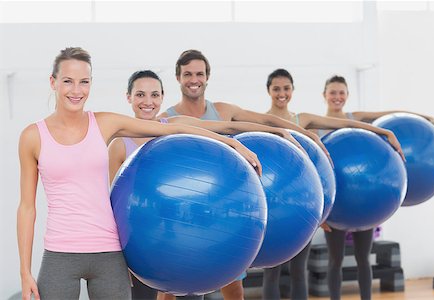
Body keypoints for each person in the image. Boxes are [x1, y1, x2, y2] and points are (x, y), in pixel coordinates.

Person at [16, 47, 264, 300]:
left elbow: (171, 130)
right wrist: (25, 272)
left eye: (84, 82)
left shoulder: (104, 123)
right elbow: (27, 208)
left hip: (108, 252)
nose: (76, 90)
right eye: (68, 81)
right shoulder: (33, 136)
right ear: (53, 82)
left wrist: (232, 144)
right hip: (60, 253)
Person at [157, 49, 336, 300]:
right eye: (187, 74)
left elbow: (267, 121)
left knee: (233, 290)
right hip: (184, 214)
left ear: (208, 77)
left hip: (228, 213)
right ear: (178, 77)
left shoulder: (222, 111)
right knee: (171, 289)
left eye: (199, 73)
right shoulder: (167, 119)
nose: (193, 79)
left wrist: (304, 134)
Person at [109, 69, 303, 300]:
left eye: (154, 95)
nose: (148, 102)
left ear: (162, 97)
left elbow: (225, 127)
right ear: (128, 97)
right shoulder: (119, 144)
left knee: (192, 293)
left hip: (191, 238)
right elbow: (112, 206)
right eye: (140, 95)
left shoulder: (175, 127)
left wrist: (273, 132)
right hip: (141, 247)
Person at [262, 69, 406, 300]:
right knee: (272, 273)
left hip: (303, 204)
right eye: (276, 88)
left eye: (286, 88)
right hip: (274, 206)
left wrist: (384, 131)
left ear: (292, 91)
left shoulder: (304, 120)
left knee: (299, 271)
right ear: (268, 91)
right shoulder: (262, 121)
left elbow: (343, 123)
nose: (282, 93)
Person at [320, 74, 434, 300]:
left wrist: (427, 118)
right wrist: (322, 214)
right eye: (333, 92)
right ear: (324, 95)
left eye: (341, 93)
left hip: (366, 202)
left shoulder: (354, 118)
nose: (337, 97)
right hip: (336, 207)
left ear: (347, 95)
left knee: (363, 258)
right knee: (335, 260)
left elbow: (391, 114)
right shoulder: (317, 124)